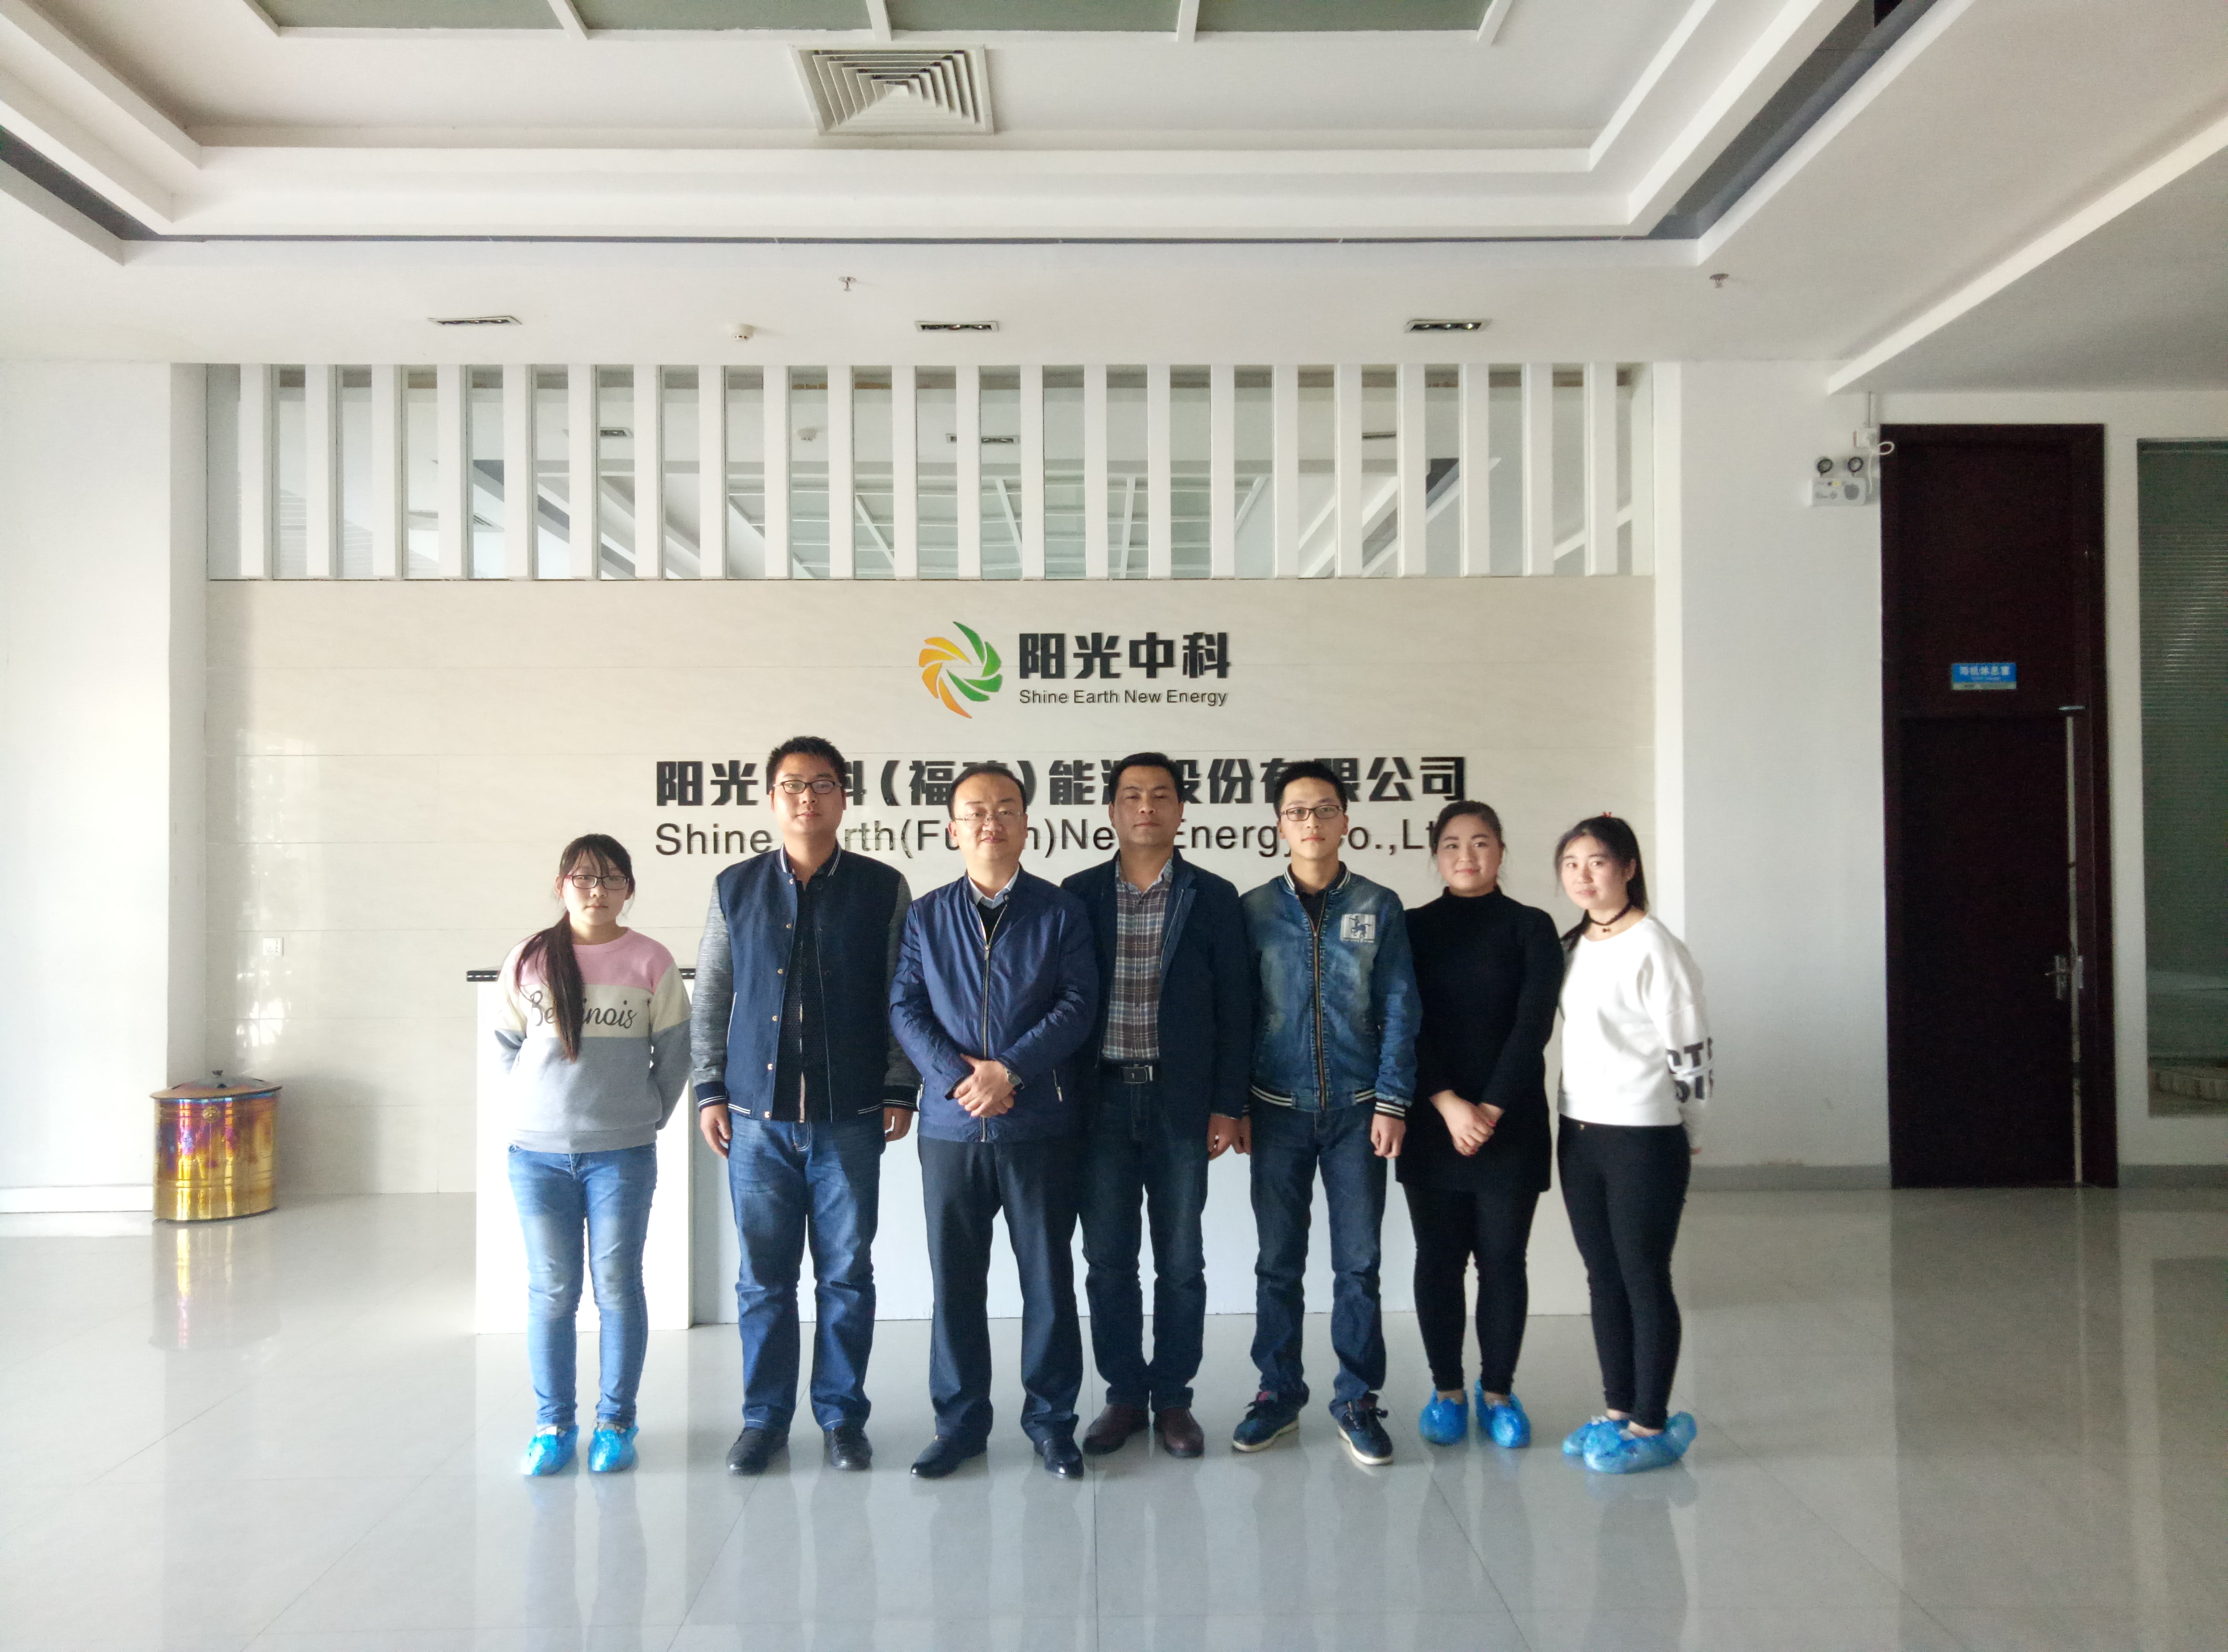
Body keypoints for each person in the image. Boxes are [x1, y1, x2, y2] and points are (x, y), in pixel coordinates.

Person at [691, 736, 917, 1477]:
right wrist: (710, 1087)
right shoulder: (735, 887)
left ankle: (842, 1418)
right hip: (756, 1121)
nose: (806, 798)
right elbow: (713, 994)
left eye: (822, 784)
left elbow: (900, 996)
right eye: (792, 785)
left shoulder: (882, 888)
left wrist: (898, 1085)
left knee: (846, 1276)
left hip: (850, 1115)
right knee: (763, 1279)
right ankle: (764, 1420)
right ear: (770, 799)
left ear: (843, 798)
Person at [890, 761, 1100, 1480]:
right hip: (951, 1130)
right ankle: (959, 1425)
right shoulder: (925, 915)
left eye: (1006, 808)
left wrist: (1008, 1071)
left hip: (1038, 1124)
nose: (991, 821)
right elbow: (905, 1007)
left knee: (1047, 1280)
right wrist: (960, 1081)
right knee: (955, 1282)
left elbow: (1077, 1004)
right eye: (975, 811)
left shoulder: (1060, 911)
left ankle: (1051, 1423)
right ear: (952, 830)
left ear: (1026, 824)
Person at [1063, 751, 1253, 1460]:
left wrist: (1228, 1104)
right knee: (1108, 1259)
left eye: (1161, 795)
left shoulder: (1213, 896)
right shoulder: (1078, 894)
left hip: (1181, 1101)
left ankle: (1173, 1397)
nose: (1146, 806)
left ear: (1180, 810)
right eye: (1132, 795)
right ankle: (1122, 1395)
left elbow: (1237, 1009)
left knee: (1180, 1259)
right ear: (1112, 810)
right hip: (1101, 1102)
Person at [1233, 760, 1421, 1468]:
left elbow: (1400, 1007)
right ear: (1278, 825)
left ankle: (1356, 1399)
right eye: (1296, 811)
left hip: (1357, 1112)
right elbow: (1238, 1014)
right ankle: (1277, 1394)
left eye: (1323, 810)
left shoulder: (1378, 904)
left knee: (1359, 1265)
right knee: (1277, 1265)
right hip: (1275, 1112)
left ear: (1345, 820)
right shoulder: (1254, 910)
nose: (1310, 822)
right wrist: (1235, 1104)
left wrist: (1393, 1100)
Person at [492, 834, 690, 1477]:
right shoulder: (528, 957)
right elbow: (504, 1046)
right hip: (536, 1155)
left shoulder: (650, 960)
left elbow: (675, 1054)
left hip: (621, 1153)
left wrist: (647, 1113)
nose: (596, 890)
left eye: (610, 879)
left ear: (629, 889)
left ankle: (616, 1423)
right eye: (582, 878)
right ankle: (552, 1425)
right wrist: (534, 1106)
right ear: (561, 886)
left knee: (618, 1288)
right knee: (551, 1291)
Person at [1399, 801, 1564, 1450]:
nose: (1465, 855)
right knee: (1438, 1260)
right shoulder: (1410, 927)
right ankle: (1446, 1391)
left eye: (1479, 842)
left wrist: (1488, 1108)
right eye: (1451, 844)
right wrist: (1447, 1103)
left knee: (1501, 1261)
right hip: (1431, 1119)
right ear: (1435, 855)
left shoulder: (1530, 926)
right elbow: (1402, 1021)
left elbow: (1533, 1024)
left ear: (1499, 850)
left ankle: (1497, 1392)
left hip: (1510, 1121)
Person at [1552, 814, 1711, 1475]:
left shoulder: (1655, 946)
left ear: (1627, 868)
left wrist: (1690, 1130)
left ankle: (1650, 1422)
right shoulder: (1571, 944)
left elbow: (1690, 1048)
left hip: (1644, 1132)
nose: (1582, 876)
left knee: (1643, 1276)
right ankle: (1617, 1410)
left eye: (1596, 862)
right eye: (1570, 864)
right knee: (1602, 1276)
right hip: (1577, 1129)